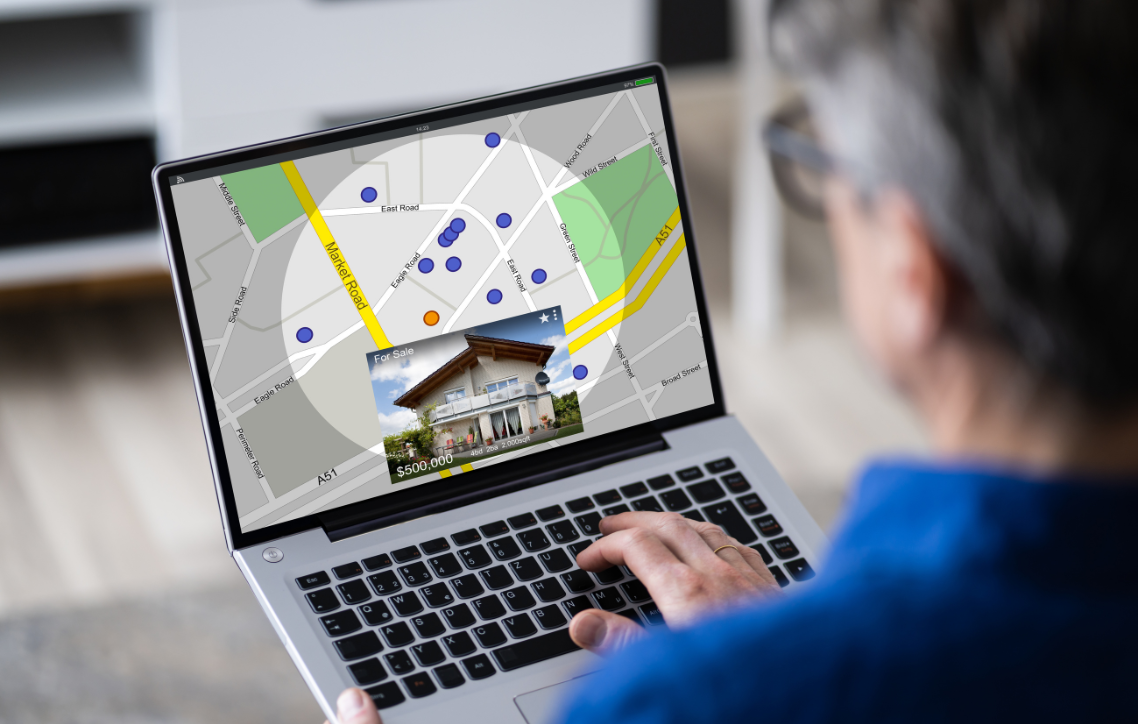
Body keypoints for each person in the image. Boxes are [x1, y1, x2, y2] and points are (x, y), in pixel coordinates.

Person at [327, 0, 1138, 721]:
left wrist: (754, 668)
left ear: (916, 269)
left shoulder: (680, 698)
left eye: (826, 169)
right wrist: (773, 642)